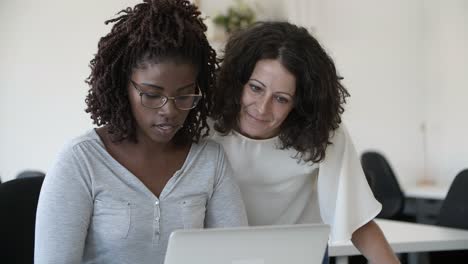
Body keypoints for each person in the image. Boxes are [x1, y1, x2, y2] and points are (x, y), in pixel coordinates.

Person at [34, 1, 247, 263]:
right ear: (124, 86)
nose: (169, 111)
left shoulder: (209, 160)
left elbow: (236, 256)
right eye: (152, 95)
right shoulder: (81, 161)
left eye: (184, 96)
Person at [211, 21, 400, 264]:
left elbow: (358, 219)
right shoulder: (207, 123)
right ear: (238, 81)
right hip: (222, 255)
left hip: (297, 256)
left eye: (281, 98)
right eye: (255, 88)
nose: (261, 107)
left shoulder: (319, 132)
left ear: (300, 104)